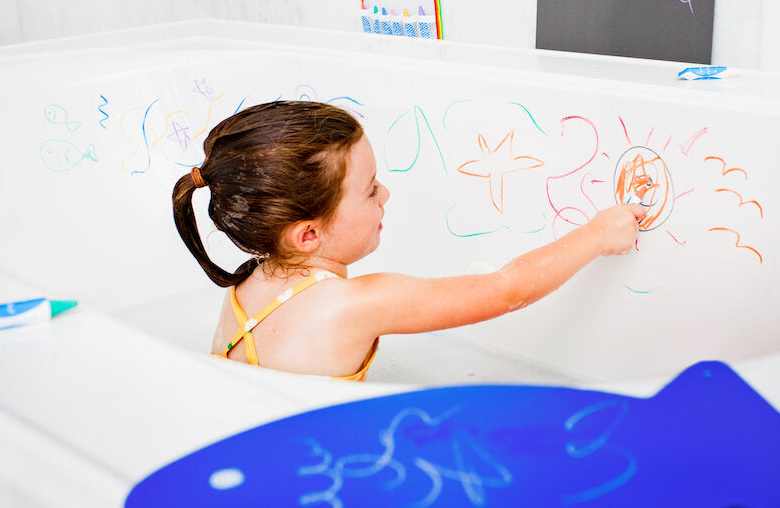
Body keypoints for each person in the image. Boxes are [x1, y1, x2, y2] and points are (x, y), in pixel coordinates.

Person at [172, 101, 645, 381]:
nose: (386, 194)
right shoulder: (355, 304)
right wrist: (597, 234)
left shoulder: (247, 283)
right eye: (370, 189)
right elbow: (507, 290)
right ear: (308, 234)